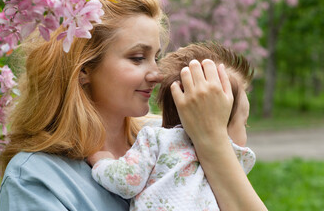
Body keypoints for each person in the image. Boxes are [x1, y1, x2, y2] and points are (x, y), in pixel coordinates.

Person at [0, 0, 267, 211]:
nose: (157, 74)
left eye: (156, 57)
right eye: (138, 58)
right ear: (83, 69)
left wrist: (213, 140)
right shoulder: (35, 178)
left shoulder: (168, 137)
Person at [87, 42, 256, 210]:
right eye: (244, 123)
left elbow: (127, 181)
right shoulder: (234, 164)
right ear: (219, 120)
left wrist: (104, 162)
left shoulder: (157, 140)